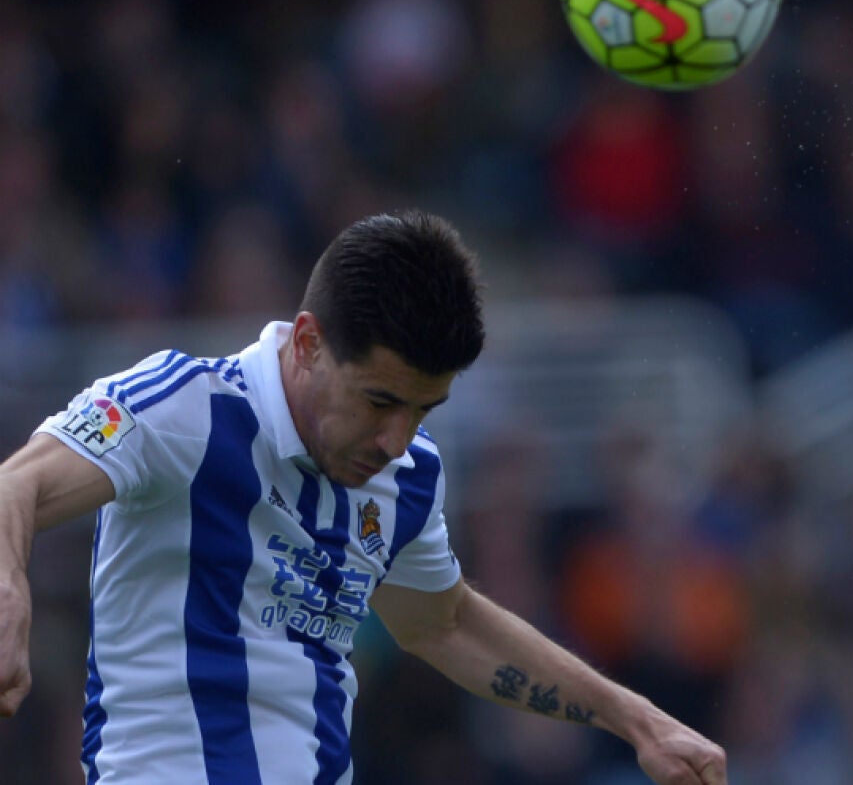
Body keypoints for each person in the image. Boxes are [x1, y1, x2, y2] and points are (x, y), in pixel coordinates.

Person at [0, 210, 727, 784]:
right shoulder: (183, 407)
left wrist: (637, 720)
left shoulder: (407, 478)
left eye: (423, 409)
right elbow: (18, 481)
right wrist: (10, 589)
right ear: (309, 343)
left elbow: (445, 624)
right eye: (380, 399)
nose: (396, 438)